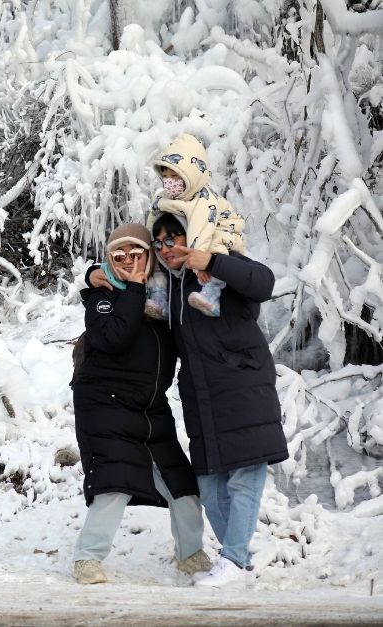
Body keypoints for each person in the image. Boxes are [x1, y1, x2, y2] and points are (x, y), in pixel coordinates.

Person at [88, 212, 289, 587]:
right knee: (210, 489)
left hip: (243, 391)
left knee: (245, 478)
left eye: (173, 239)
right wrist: (92, 274)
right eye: (159, 243)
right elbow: (124, 273)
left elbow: (263, 282)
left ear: (192, 237)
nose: (166, 249)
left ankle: (233, 559)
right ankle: (239, 566)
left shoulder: (217, 268)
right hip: (202, 398)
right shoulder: (171, 288)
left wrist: (211, 261)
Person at [71, 223, 209, 585]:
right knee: (115, 483)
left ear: (149, 256)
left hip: (150, 408)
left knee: (182, 485)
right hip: (105, 405)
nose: (128, 262)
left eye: (136, 255)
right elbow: (114, 337)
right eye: (119, 257)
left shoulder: (163, 299)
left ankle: (191, 554)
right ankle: (87, 559)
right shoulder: (101, 299)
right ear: (108, 262)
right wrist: (130, 286)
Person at [144, 134, 246, 319]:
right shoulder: (164, 198)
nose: (169, 181)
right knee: (156, 255)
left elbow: (201, 228)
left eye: (175, 176)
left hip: (221, 229)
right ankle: (159, 297)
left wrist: (200, 264)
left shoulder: (204, 198)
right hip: (195, 237)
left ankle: (211, 293)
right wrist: (148, 248)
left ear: (191, 175)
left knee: (214, 246)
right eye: (165, 176)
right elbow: (152, 220)